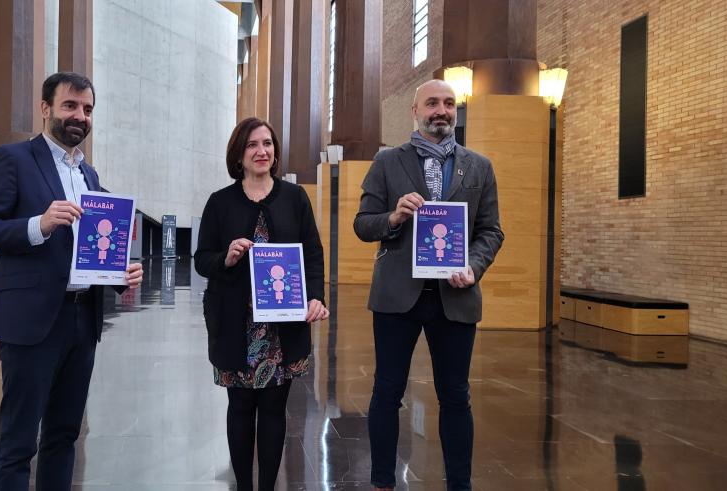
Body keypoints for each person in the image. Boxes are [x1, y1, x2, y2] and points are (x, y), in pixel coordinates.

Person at [0, 72, 144, 490]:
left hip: (82, 323)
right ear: (45, 109)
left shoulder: (91, 177)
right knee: (18, 441)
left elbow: (89, 253)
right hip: (31, 323)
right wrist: (38, 225)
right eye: (69, 106)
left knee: (64, 436)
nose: (79, 116)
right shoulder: (13, 159)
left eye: (87, 109)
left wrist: (119, 276)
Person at [354, 79, 504, 491]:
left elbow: (491, 231)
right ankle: (383, 481)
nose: (442, 110)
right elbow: (362, 225)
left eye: (450, 104)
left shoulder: (480, 166)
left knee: (456, 396)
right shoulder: (387, 162)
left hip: (454, 298)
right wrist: (394, 218)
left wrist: (473, 266)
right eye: (433, 103)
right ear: (415, 111)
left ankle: (459, 483)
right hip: (396, 298)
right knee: (387, 391)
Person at [195, 117, 329, 491]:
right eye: (252, 145)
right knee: (239, 409)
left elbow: (312, 255)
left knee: (273, 411)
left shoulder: (294, 197)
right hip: (235, 324)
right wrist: (227, 257)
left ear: (275, 152)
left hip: (281, 327)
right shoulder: (220, 202)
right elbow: (201, 258)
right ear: (239, 154)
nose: (261, 151)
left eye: (267, 144)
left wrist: (315, 296)